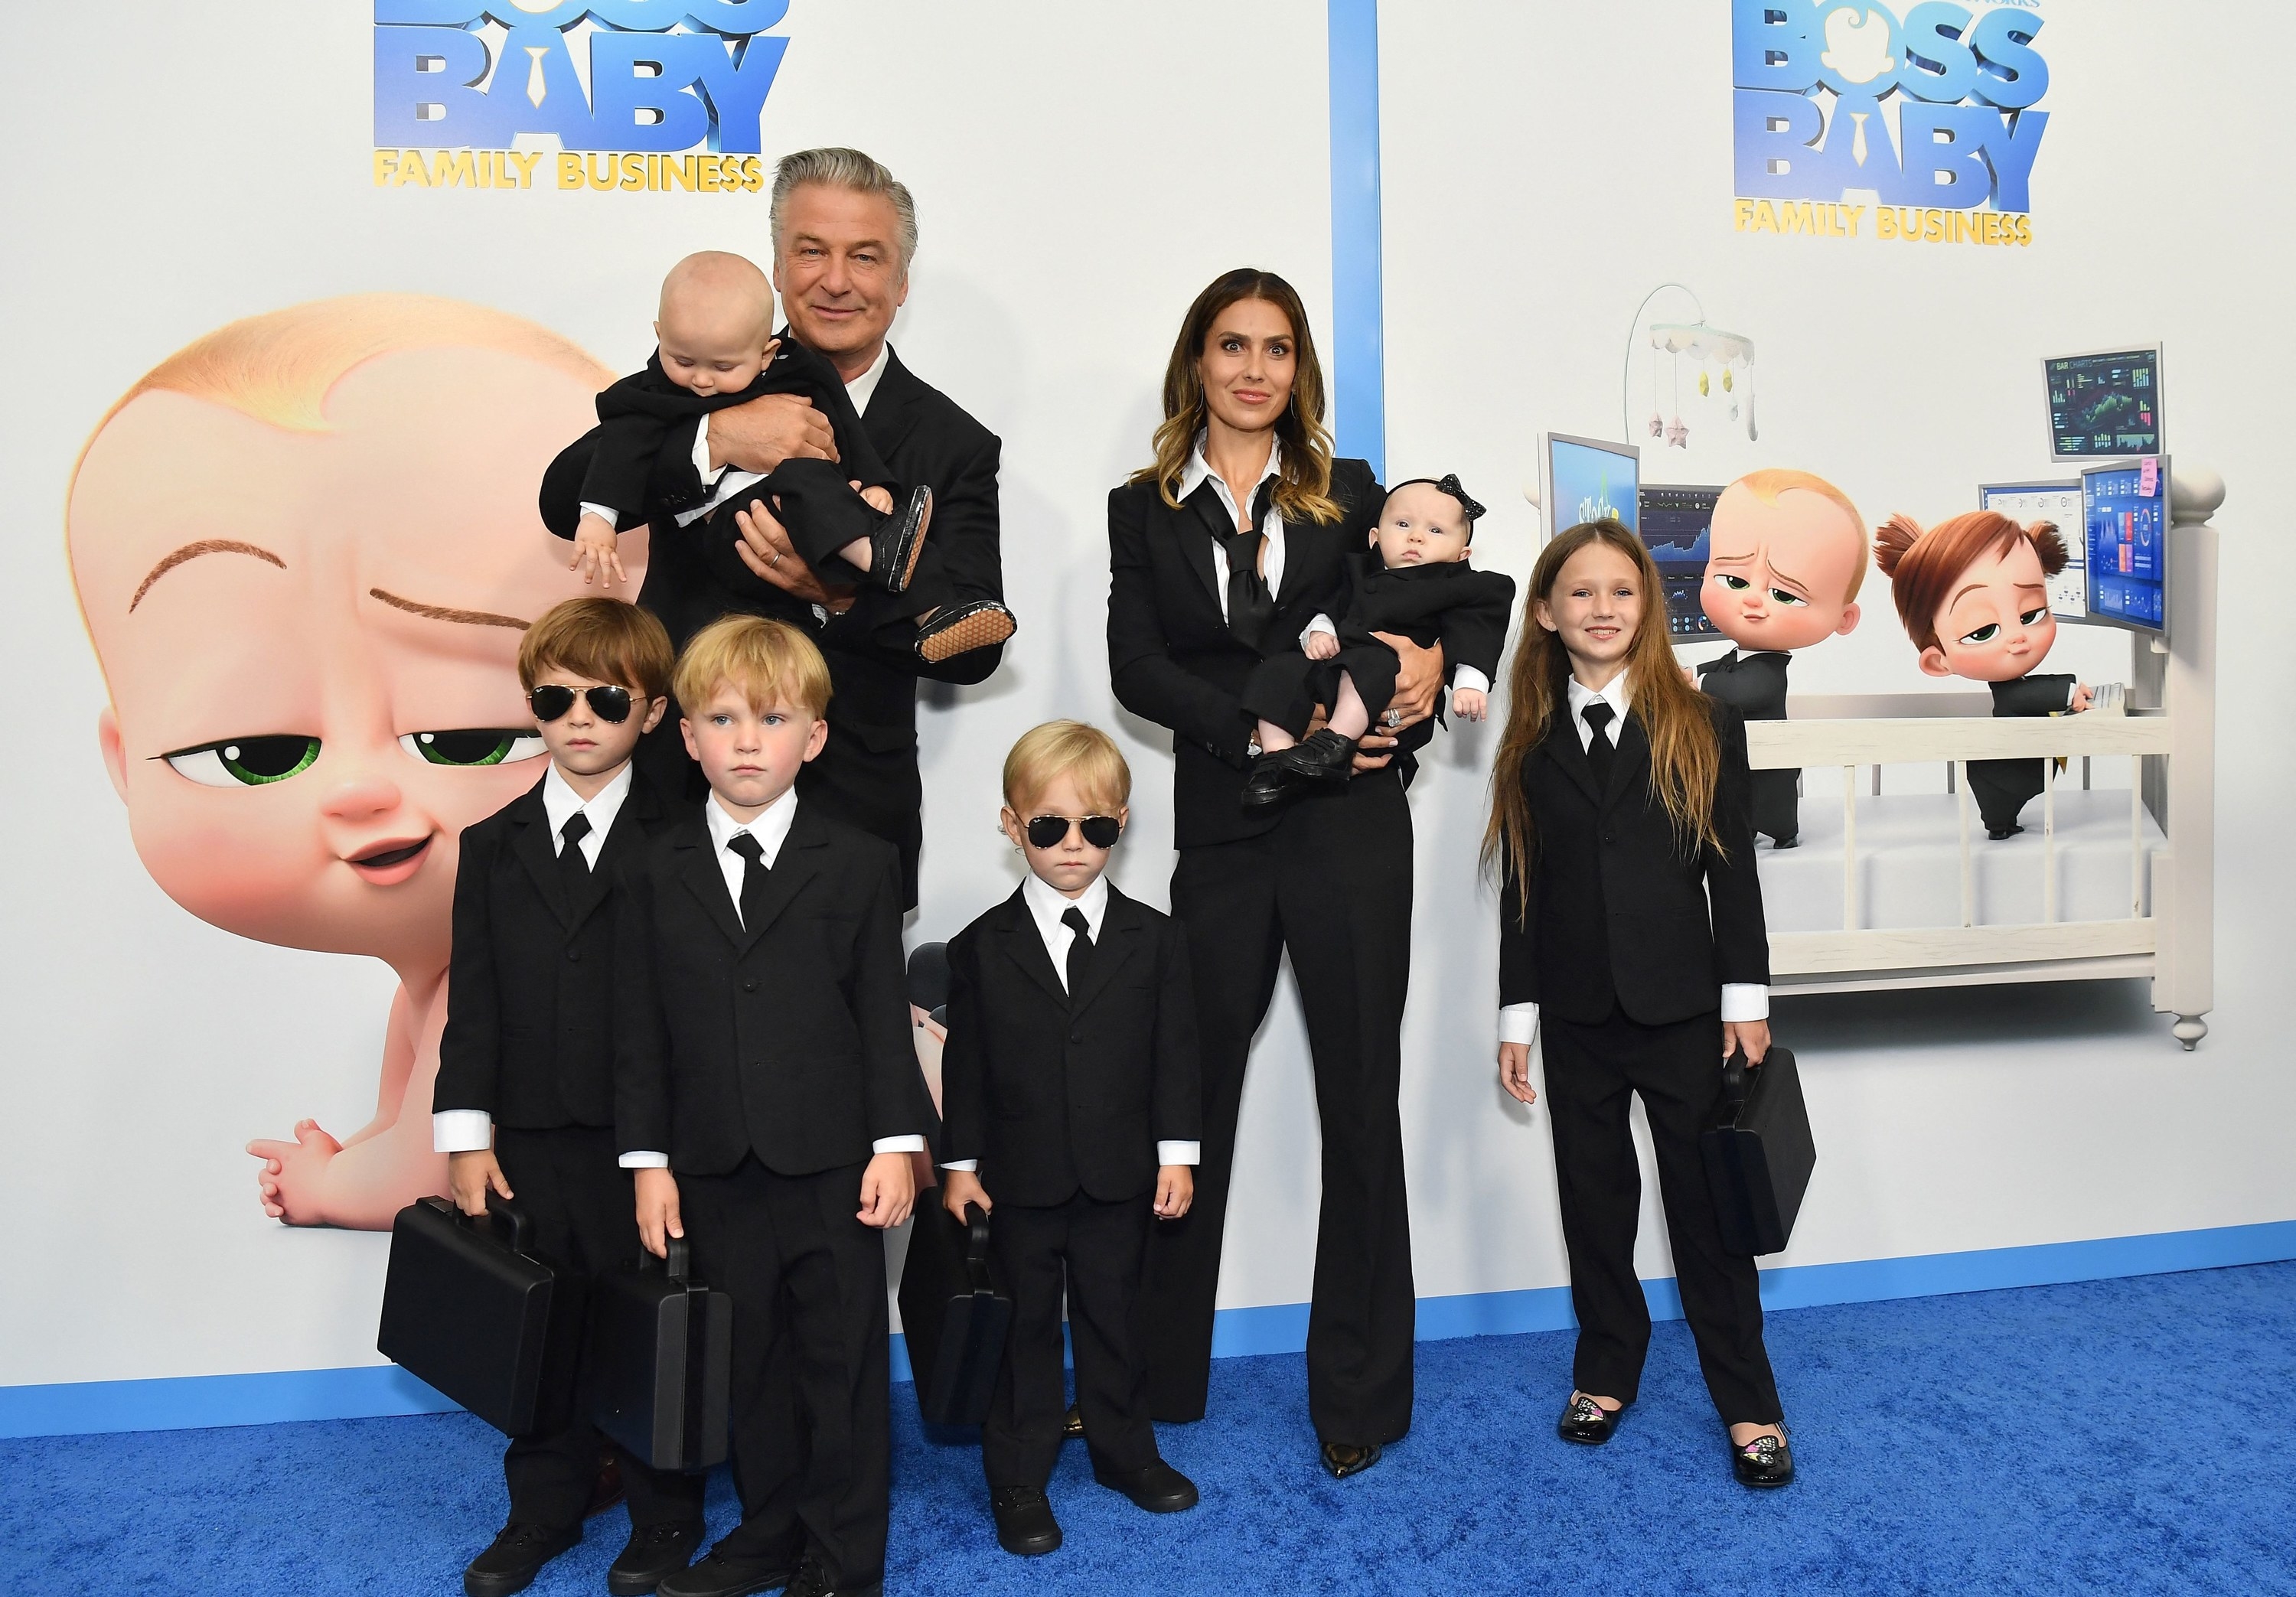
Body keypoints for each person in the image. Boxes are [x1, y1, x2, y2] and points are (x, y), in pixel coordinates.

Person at [66, 292, 643, 1230]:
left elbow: (421, 1170)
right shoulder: (439, 980)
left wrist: (326, 1184)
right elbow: (404, 1119)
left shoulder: (510, 969)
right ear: (124, 758)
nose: (366, 790)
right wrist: (368, 1143)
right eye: (257, 751)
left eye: (469, 736)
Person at [1107, 267, 1437, 1478]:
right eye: (1233, 344)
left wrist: (1417, 675)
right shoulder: (1140, 506)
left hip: (1350, 823)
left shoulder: (1351, 496)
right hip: (1227, 824)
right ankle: (1150, 1375)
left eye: (1279, 349)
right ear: (1197, 359)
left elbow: (1415, 607)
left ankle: (1360, 1391)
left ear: (1301, 371)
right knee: (1188, 1100)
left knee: (1359, 1098)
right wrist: (1253, 728)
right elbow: (1135, 662)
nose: (1255, 368)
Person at [613, 616, 933, 1597]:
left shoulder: (861, 860)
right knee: (747, 1362)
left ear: (816, 736)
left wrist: (895, 1145)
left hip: (837, 1160)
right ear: (688, 736)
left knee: (838, 1360)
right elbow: (640, 1030)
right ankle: (765, 1530)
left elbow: (883, 1016)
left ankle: (843, 1553)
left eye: (774, 716)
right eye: (724, 717)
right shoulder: (650, 865)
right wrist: (648, 1162)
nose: (748, 738)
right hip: (711, 1162)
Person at [1488, 518, 1794, 1488]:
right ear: (1545, 612)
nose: (1603, 608)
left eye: (1622, 591)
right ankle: (1606, 1368)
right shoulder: (1532, 742)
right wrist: (1517, 1015)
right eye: (1580, 592)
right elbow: (1524, 887)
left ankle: (1749, 1400)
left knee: (1705, 1213)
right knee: (1595, 1205)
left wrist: (1745, 999)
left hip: (1684, 1014)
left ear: (1648, 607)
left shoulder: (1704, 723)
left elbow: (1732, 874)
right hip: (1577, 1017)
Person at [624, 147, 1013, 909]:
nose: (835, 280)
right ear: (775, 265)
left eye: (864, 257)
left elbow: (975, 643)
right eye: (812, 251)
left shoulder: (953, 443)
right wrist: (721, 440)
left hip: (853, 803)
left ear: (901, 283)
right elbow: (578, 491)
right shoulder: (698, 374)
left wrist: (835, 596)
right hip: (678, 791)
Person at [430, 598, 706, 1597]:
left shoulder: (686, 840)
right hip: (532, 1134)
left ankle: (665, 1513)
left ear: (652, 709)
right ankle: (540, 1506)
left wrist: (669, 1148)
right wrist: (465, 1135)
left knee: (650, 1324)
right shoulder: (491, 843)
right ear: (530, 705)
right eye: (554, 696)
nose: (578, 714)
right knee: (540, 1326)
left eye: (604, 696)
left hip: (653, 1141)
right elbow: (476, 996)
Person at [937, 722, 1204, 1557]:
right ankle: (1017, 1474)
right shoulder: (980, 946)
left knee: (1115, 1316)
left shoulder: (1157, 939)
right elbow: (967, 1067)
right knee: (1022, 1330)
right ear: (1013, 825)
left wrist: (1178, 1155)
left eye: (1097, 826)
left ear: (1123, 822)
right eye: (1050, 826)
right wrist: (959, 1167)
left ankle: (1126, 1451)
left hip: (1121, 1177)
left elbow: (1177, 1056)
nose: (1074, 845)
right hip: (1017, 1180)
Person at [559, 251, 934, 603]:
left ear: (766, 354)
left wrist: (873, 484)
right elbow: (617, 450)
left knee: (807, 472)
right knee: (802, 475)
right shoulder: (651, 394)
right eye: (683, 360)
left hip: (816, 583)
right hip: (725, 547)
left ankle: (900, 577)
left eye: (723, 368)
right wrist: (598, 518)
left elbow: (846, 431)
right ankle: (876, 553)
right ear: (660, 337)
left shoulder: (803, 374)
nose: (702, 380)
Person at [1239, 472, 1515, 807]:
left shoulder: (1464, 588)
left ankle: (1335, 745)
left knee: (1370, 659)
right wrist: (1319, 630)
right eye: (1402, 525)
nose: (1416, 538)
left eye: (1435, 530)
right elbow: (1331, 605)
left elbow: (1478, 628)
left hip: (1389, 692)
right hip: (1333, 677)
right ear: (1375, 537)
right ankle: (1279, 761)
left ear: (1462, 553)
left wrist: (1471, 678)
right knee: (1278, 670)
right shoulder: (1356, 571)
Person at [1872, 510, 2092, 839]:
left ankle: (2002, 823)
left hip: (2009, 771)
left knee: (2004, 805)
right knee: (2001, 805)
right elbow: (2024, 695)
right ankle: (1999, 826)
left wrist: (2069, 690)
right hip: (2002, 774)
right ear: (1938, 661)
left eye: (2031, 614)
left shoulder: (2015, 689)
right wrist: (2067, 691)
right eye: (1983, 631)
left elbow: (2031, 692)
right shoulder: (2010, 693)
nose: (2017, 637)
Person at [1692, 468, 1869, 849]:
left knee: (1771, 800)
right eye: (1735, 581)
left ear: (1844, 618)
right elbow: (1727, 667)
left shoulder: (1769, 672)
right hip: (1740, 753)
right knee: (1738, 797)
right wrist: (1694, 671)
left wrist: (1700, 683)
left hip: (1768, 755)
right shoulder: (1742, 658)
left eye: (1785, 595)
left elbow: (1745, 690)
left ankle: (1784, 834)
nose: (1753, 600)